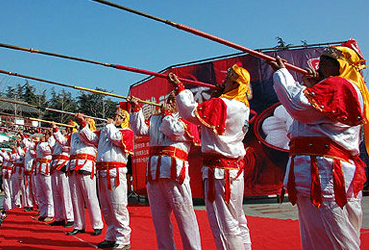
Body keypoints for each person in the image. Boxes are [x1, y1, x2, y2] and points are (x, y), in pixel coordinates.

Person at [268, 39, 368, 250]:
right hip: (319, 176)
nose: (319, 66)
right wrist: (312, 86)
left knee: (337, 241)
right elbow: (310, 120)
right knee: (320, 240)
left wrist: (282, 74)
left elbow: (299, 105)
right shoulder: (335, 88)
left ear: (341, 67)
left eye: (326, 62)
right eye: (320, 61)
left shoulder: (340, 85)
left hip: (325, 177)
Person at [168, 65, 252, 250]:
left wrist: (180, 89)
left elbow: (188, 112)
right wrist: (219, 95)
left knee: (224, 224)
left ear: (235, 84)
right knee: (238, 219)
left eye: (228, 80)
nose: (223, 82)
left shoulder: (221, 104)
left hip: (220, 173)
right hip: (234, 170)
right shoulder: (243, 106)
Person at [129, 93, 202, 250]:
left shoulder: (188, 118)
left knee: (184, 216)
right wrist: (136, 109)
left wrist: (167, 115)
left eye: (174, 100)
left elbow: (173, 131)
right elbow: (139, 130)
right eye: (169, 99)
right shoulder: (156, 118)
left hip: (175, 172)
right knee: (159, 218)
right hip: (155, 172)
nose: (169, 102)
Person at [77, 106, 134, 250]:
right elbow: (89, 138)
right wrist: (83, 124)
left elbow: (117, 139)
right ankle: (111, 236)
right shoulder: (105, 131)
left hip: (115, 172)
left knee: (118, 206)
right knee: (107, 207)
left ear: (123, 120)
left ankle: (123, 238)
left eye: (119, 116)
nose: (115, 118)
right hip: (102, 172)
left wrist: (110, 125)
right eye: (115, 115)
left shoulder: (126, 132)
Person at [66, 118, 104, 236]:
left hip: (86, 166)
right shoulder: (74, 135)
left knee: (90, 197)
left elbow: (88, 139)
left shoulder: (94, 134)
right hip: (73, 166)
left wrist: (82, 124)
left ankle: (97, 224)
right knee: (75, 198)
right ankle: (79, 225)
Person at [50, 124, 74, 227]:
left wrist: (56, 131)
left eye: (68, 128)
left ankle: (69, 217)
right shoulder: (58, 140)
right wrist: (52, 135)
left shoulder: (70, 139)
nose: (65, 130)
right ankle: (59, 217)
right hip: (55, 166)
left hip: (63, 166)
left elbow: (65, 147)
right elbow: (51, 148)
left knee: (65, 194)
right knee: (56, 194)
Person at [35, 130, 54, 222]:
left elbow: (46, 151)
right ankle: (43, 212)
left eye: (46, 134)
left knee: (48, 192)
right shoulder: (40, 144)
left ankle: (50, 213)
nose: (44, 136)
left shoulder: (51, 143)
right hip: (39, 168)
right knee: (40, 192)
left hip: (46, 169)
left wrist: (43, 141)